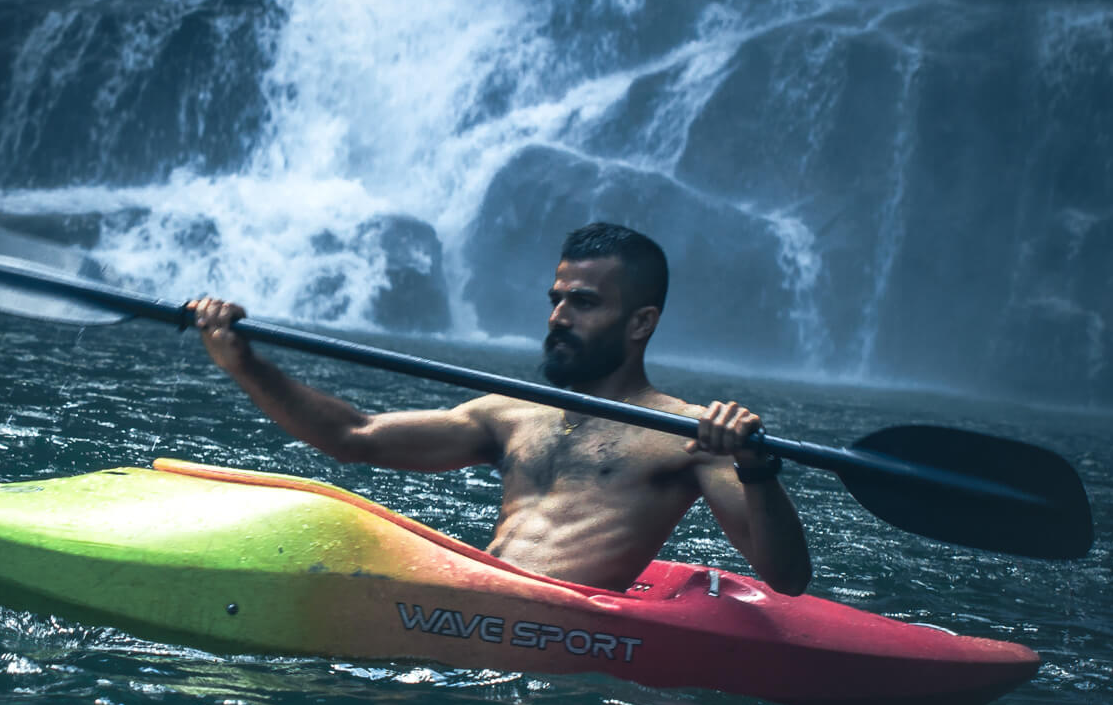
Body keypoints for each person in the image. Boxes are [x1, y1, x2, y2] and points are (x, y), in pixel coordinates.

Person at [186, 223, 812, 595]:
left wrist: (757, 471)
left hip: (563, 650)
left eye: (584, 303)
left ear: (641, 321)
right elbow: (356, 436)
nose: (558, 317)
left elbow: (785, 578)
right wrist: (243, 363)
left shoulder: (687, 434)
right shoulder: (511, 414)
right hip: (482, 614)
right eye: (556, 298)